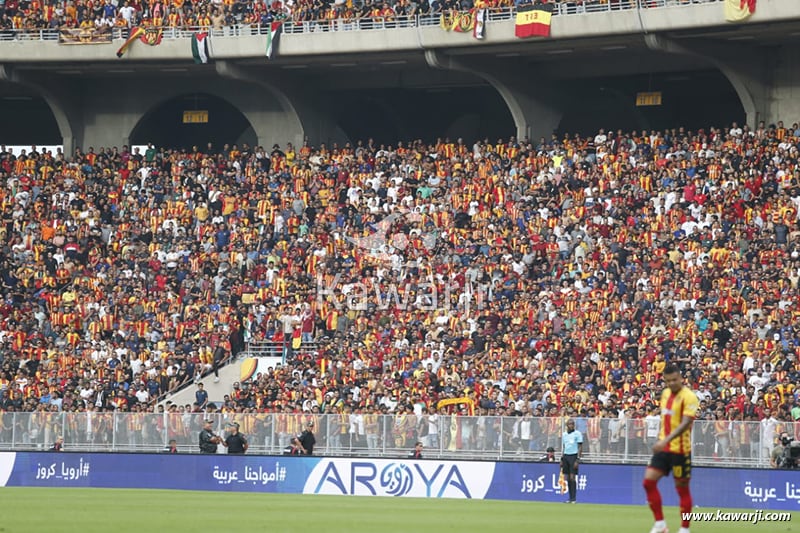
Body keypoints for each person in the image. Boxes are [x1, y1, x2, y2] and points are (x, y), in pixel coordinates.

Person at [643, 365, 699, 533]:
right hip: (663, 449)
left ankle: (684, 529)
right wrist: (662, 441)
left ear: (681, 378)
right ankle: (660, 524)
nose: (672, 383)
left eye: (675, 380)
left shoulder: (689, 397)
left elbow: (685, 423)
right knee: (648, 482)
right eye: (668, 381)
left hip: (680, 451)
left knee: (682, 489)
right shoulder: (665, 394)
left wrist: (664, 440)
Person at [561, 419, 583, 503]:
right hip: (566, 455)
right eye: (570, 424)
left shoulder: (577, 434)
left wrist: (578, 459)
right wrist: (562, 459)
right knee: (567, 478)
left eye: (572, 424)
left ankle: (574, 498)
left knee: (572, 477)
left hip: (573, 456)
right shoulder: (564, 435)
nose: (571, 425)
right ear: (567, 425)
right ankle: (570, 498)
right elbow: (564, 447)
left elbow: (580, 447)